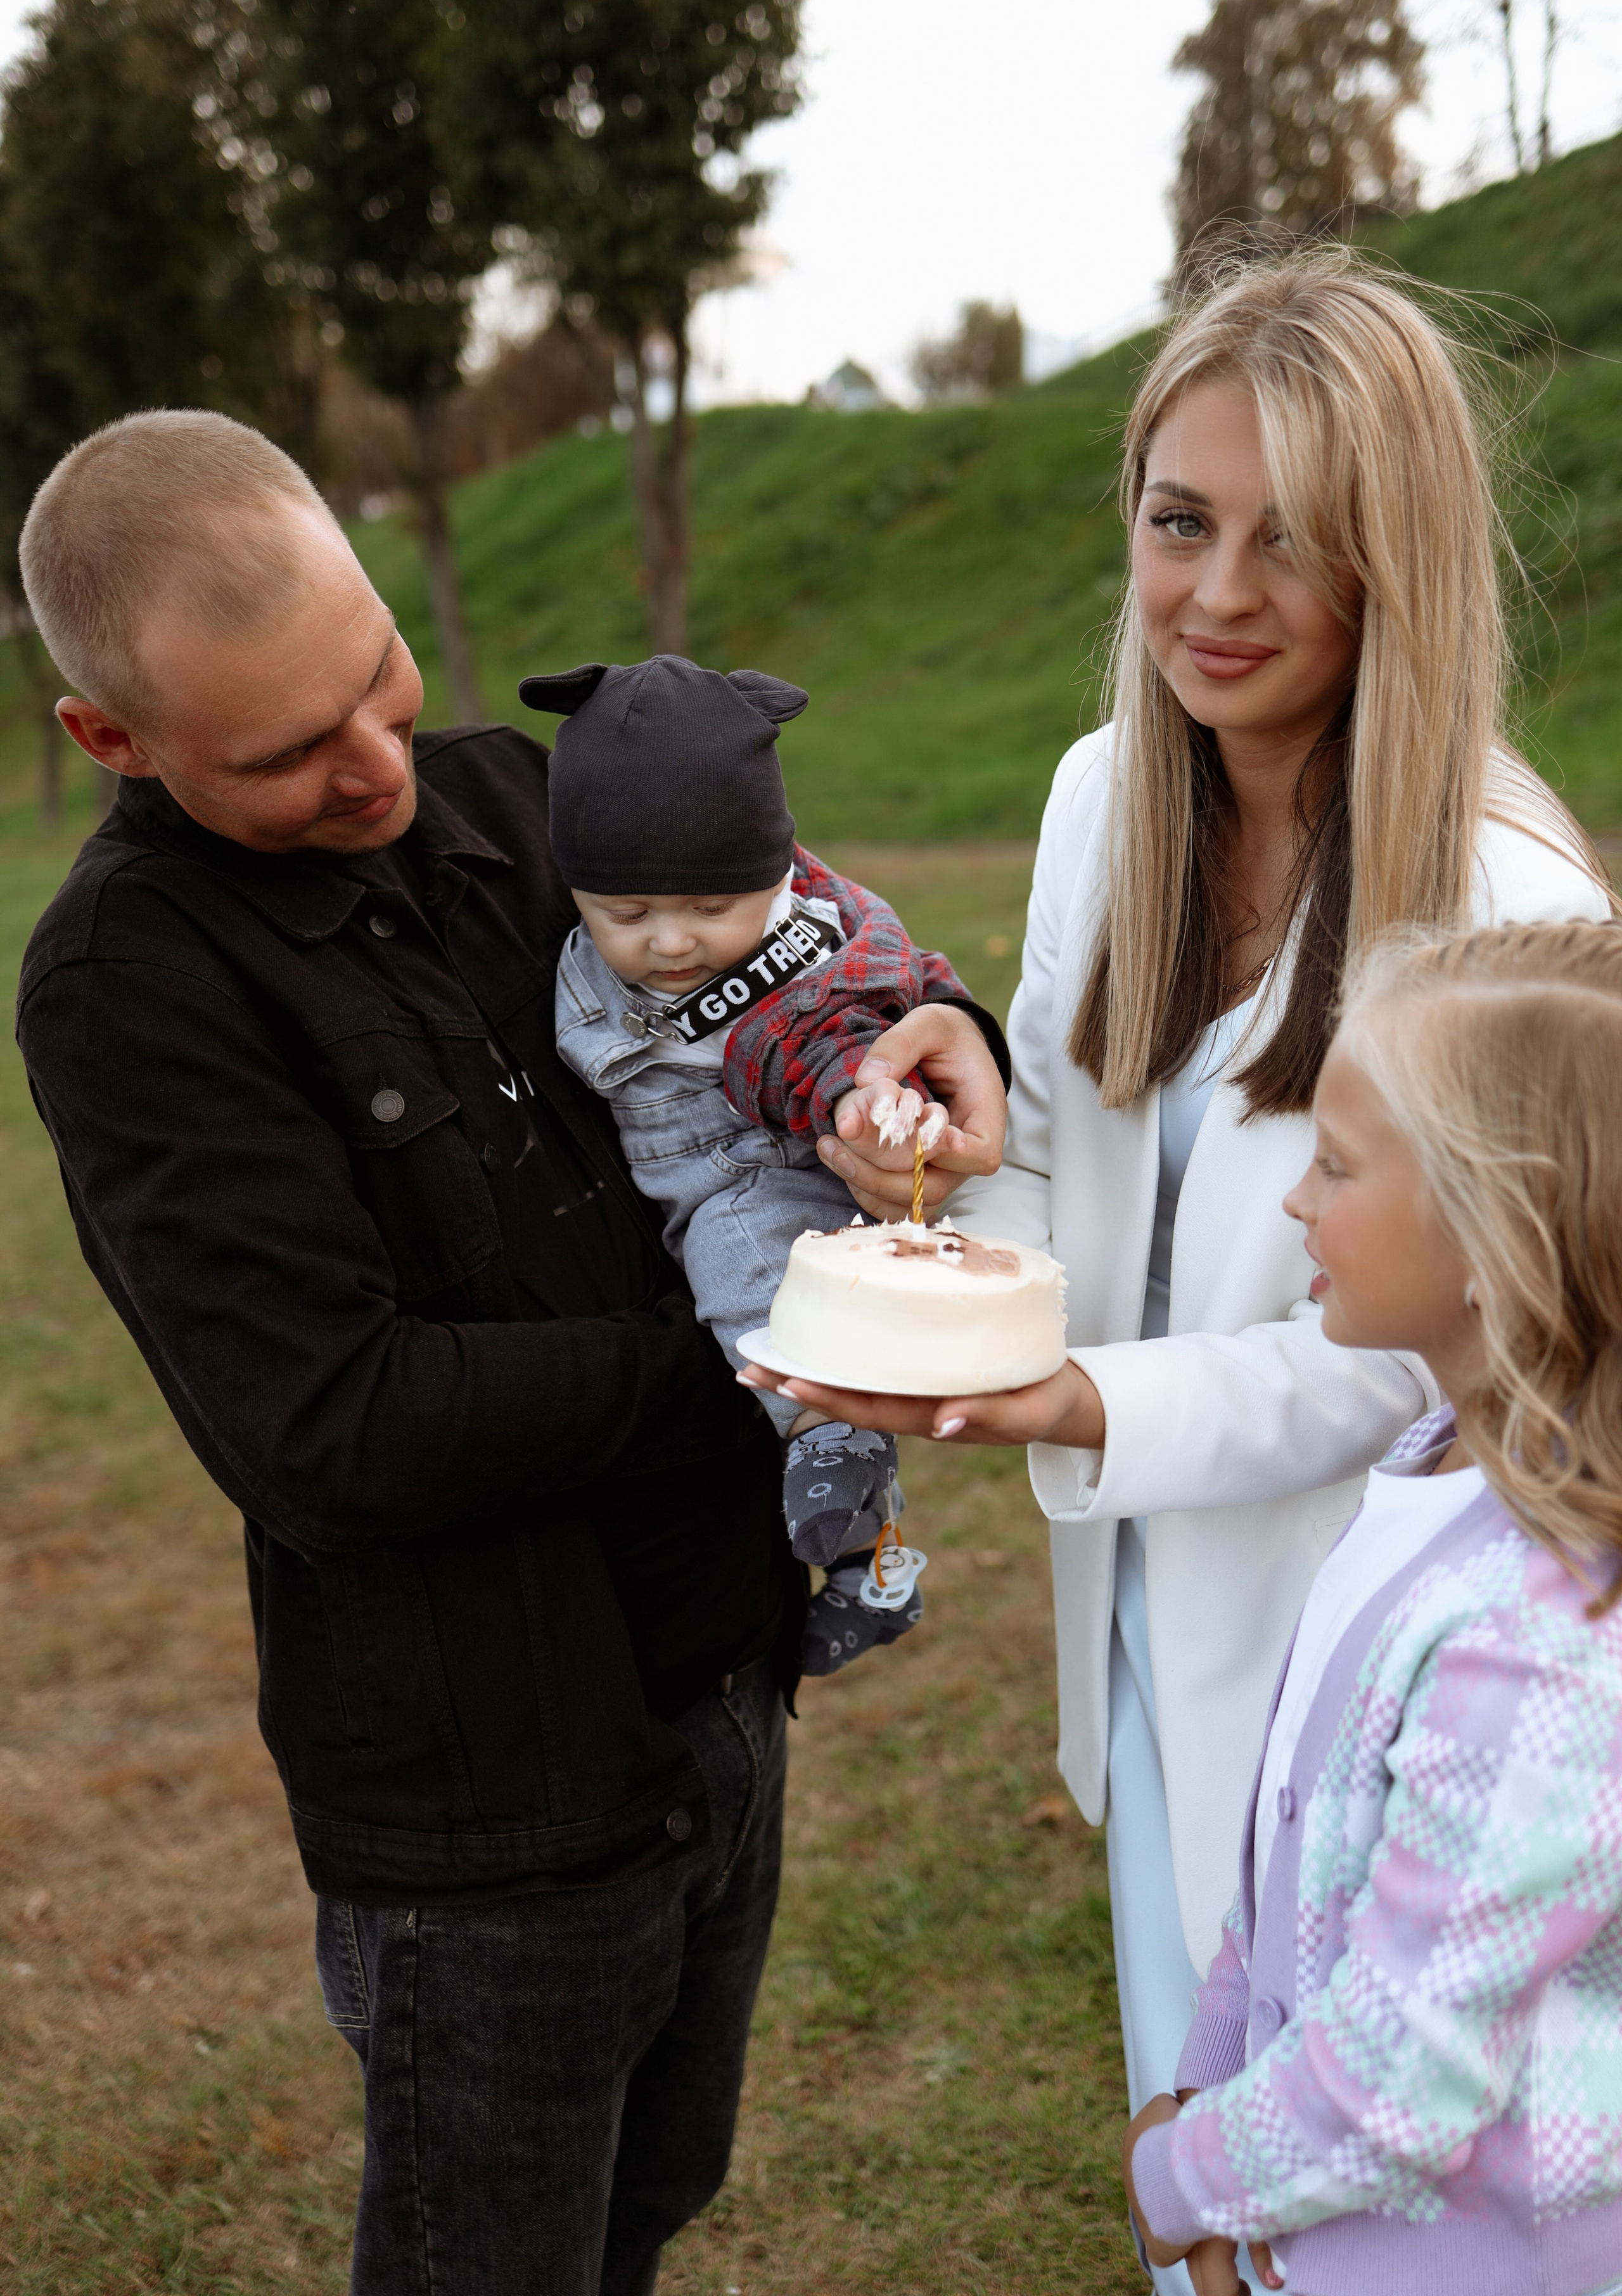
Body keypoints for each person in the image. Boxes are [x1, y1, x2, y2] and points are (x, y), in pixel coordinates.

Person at [13, 408, 1009, 2296]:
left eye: (378, 679)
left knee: (649, 2213)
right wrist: (756, 1347)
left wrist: (930, 1027)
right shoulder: (129, 983)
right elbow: (333, 1429)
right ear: (111, 740)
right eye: (293, 754)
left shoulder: (511, 791)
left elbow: (782, 952)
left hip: (719, 1693)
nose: (380, 764)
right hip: (488, 1803)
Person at [741, 251, 1615, 2293]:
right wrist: (944, 1192)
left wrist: (1083, 1403)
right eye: (1180, 518)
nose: (1217, 593)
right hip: (1138, 1622)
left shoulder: (1503, 897)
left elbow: (1439, 1354)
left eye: (1293, 540)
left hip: (1391, 1666)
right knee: (1203, 2128)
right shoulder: (1095, 797)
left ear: (1396, 558)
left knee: (1374, 2183)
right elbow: (1052, 1136)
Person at [1124, 919, 1622, 2296]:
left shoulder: (1544, 1641)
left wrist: (1181, 2179)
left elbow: (1400, 2075)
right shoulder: (1430, 1471)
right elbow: (1298, 1861)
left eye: (1334, 1166)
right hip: (1323, 2216)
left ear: (1495, 1236)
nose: (1292, 1203)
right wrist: (1212, 2075)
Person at [524, 650, 980, 1673]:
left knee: (752, 1281)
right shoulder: (612, 949)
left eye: (709, 908)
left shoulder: (809, 938)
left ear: (773, 873)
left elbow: (846, 1018)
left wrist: (868, 1092)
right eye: (625, 915)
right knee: (761, 1305)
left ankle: (826, 1425)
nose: (672, 943)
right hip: (708, 1159)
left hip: (777, 1152)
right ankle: (875, 1568)